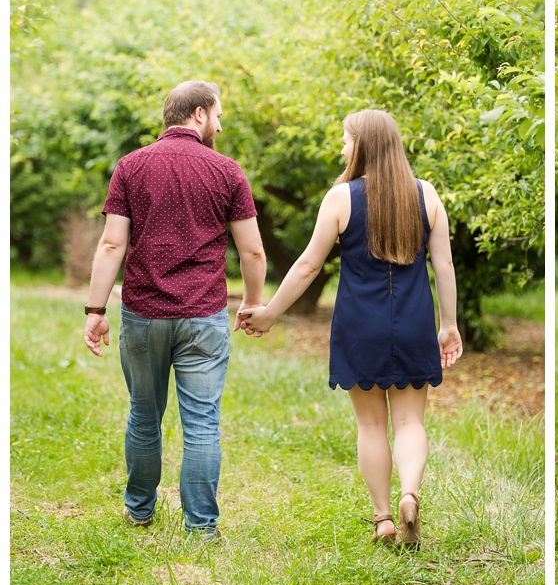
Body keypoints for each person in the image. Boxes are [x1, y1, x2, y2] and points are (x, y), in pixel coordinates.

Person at [239, 109, 462, 549]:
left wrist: (269, 312)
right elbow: (445, 265)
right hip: (415, 321)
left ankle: (383, 520)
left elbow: (307, 266)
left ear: (363, 145)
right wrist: (449, 324)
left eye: (346, 140)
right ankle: (410, 495)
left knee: (371, 426)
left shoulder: (340, 198)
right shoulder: (427, 195)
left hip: (360, 323)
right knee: (410, 422)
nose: (342, 149)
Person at [82, 80, 267, 542]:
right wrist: (252, 302)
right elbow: (254, 253)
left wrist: (95, 308)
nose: (220, 124)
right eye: (218, 115)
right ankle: (202, 527)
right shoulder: (228, 172)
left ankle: (139, 512)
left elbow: (110, 243)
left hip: (143, 313)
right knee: (203, 422)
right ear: (199, 114)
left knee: (144, 415)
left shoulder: (130, 166)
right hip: (203, 315)